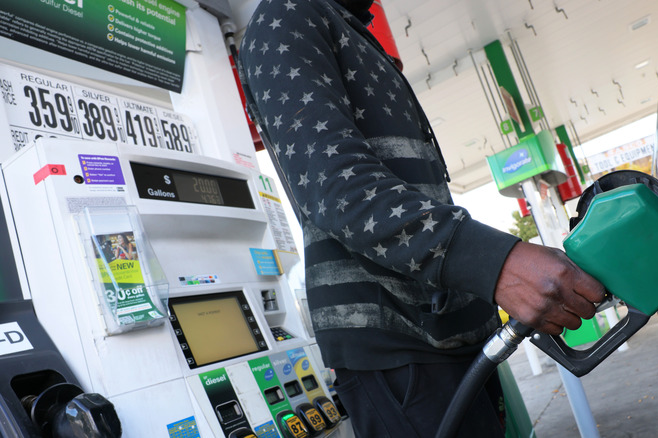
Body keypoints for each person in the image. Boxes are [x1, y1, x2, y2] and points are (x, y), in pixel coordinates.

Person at [237, 0, 605, 436]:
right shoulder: (289, 15)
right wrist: (496, 263)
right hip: (399, 346)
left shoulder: (350, 27)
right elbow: (336, 187)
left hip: (445, 335)